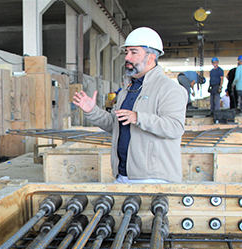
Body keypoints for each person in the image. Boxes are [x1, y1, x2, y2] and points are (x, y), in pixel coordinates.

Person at [73, 27, 186, 183]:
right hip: (122, 174)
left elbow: (175, 127)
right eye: (126, 53)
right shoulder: (129, 89)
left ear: (151, 58)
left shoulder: (169, 89)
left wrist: (139, 118)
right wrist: (92, 111)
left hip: (153, 178)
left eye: (134, 52)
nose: (127, 57)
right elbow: (116, 124)